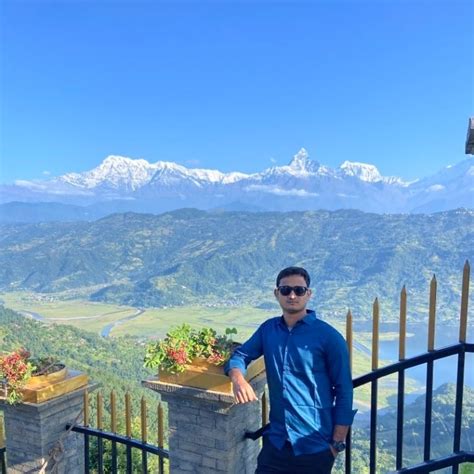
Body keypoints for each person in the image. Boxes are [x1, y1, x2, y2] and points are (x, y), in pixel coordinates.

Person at [225, 266, 356, 474]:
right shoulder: (268, 330)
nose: (292, 296)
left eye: (299, 290)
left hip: (315, 445)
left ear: (308, 294)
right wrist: (238, 379)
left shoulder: (328, 337)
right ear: (277, 293)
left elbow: (344, 390)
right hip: (276, 442)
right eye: (286, 290)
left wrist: (336, 444)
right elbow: (240, 355)